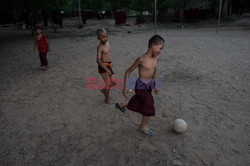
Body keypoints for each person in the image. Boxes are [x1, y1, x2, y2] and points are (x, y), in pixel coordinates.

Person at [115, 35, 165, 136]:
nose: (161, 51)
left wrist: (157, 85)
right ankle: (143, 126)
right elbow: (128, 71)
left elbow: (154, 72)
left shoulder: (156, 58)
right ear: (153, 45)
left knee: (138, 101)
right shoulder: (141, 59)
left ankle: (121, 104)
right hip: (140, 86)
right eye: (160, 48)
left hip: (149, 86)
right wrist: (125, 87)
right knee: (149, 105)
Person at [96, 28, 116, 104]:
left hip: (108, 65)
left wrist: (109, 66)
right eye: (103, 37)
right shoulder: (100, 47)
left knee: (114, 82)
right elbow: (98, 60)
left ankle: (104, 90)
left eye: (106, 36)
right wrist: (106, 69)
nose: (105, 38)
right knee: (109, 84)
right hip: (103, 66)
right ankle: (106, 99)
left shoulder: (107, 43)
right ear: (98, 38)